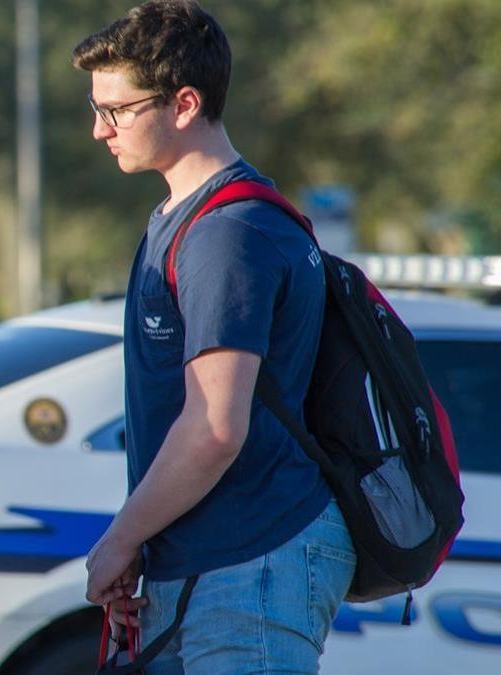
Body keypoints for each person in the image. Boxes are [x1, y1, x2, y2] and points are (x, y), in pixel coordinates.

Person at [73, 2, 355, 672]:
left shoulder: (228, 235)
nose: (97, 129)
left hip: (249, 565)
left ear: (184, 103)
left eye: (116, 110)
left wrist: (121, 538)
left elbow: (214, 429)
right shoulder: (185, 217)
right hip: (215, 563)